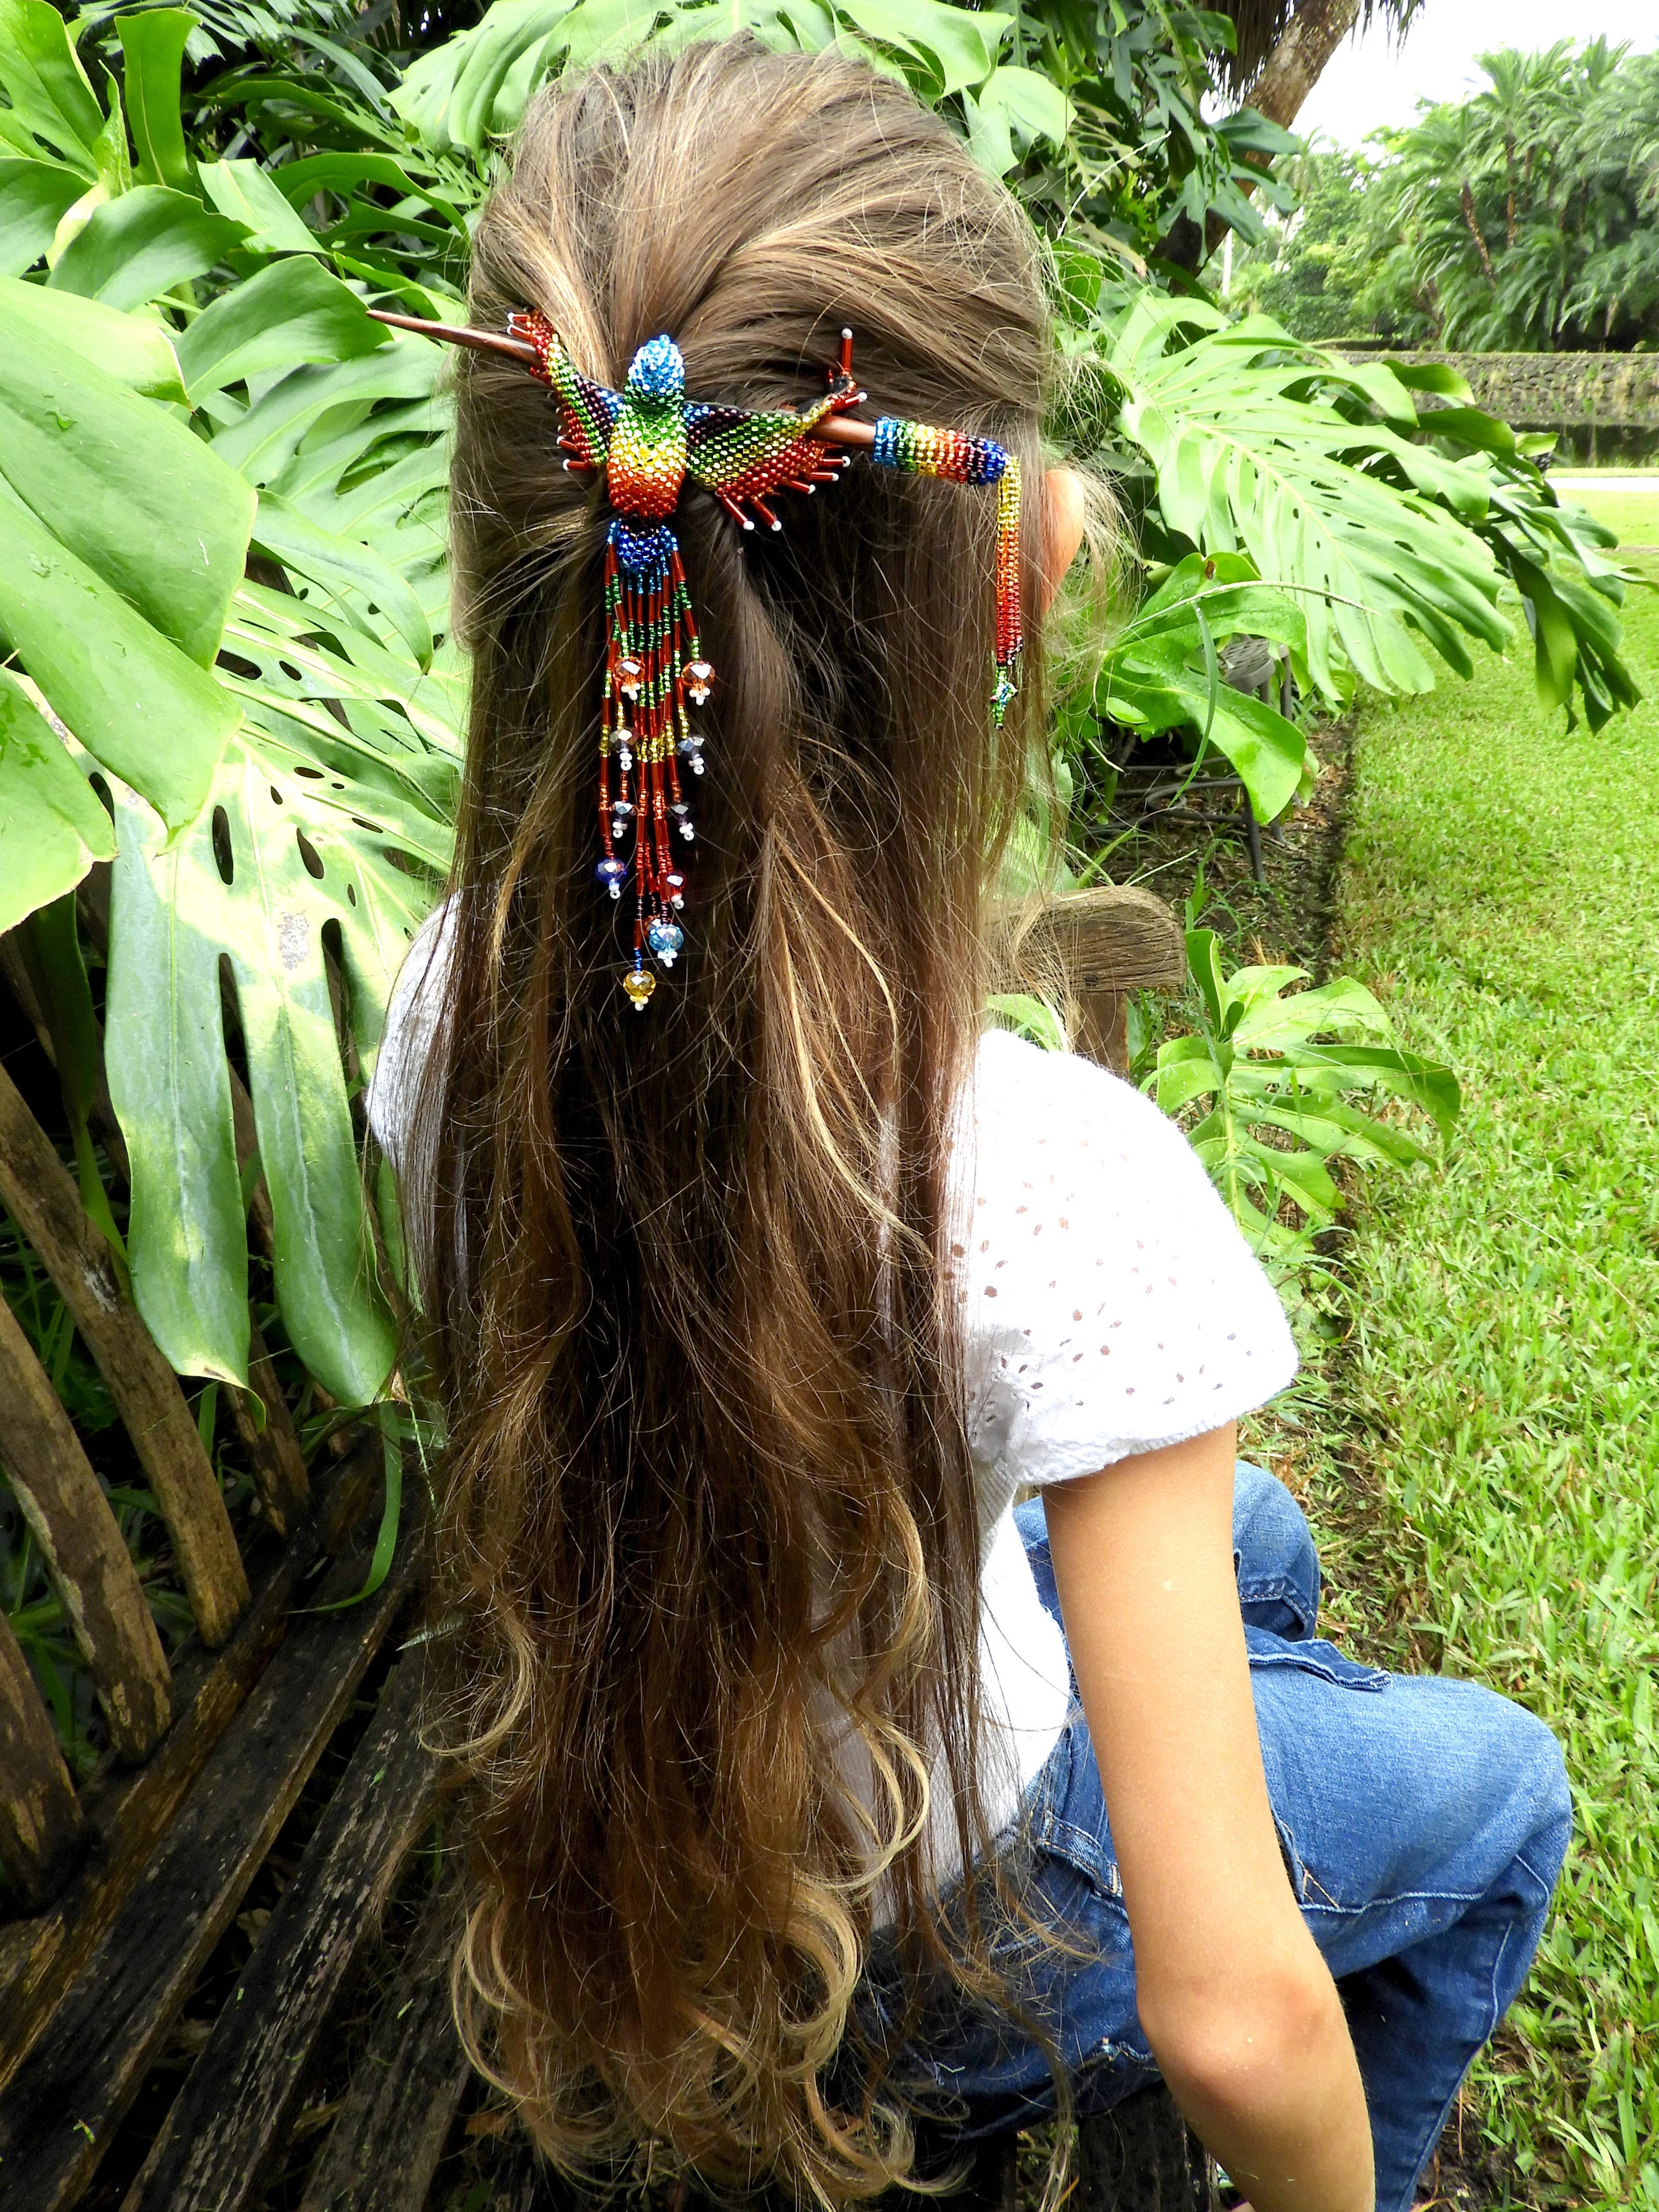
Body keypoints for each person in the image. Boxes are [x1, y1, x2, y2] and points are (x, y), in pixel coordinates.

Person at [366, 39, 1570, 2212]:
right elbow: (1233, 2019)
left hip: (706, 1723)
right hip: (931, 1918)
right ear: (982, 600)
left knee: (1262, 1542)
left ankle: (1246, 1697)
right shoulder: (1051, 1182)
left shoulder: (442, 1001)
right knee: (1498, 1791)